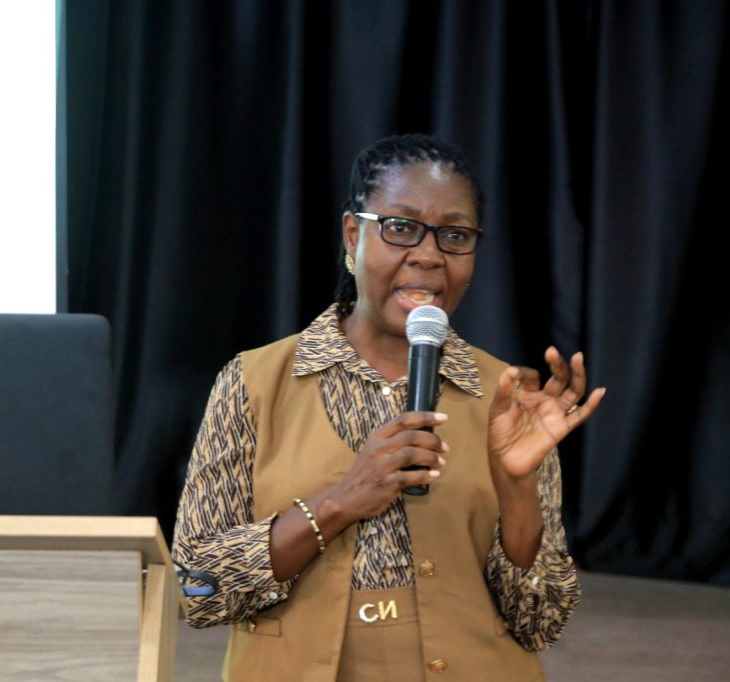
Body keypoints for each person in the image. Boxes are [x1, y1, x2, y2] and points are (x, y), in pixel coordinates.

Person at [172, 133, 605, 681]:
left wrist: (517, 490)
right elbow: (201, 588)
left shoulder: (508, 397)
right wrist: (339, 501)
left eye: (455, 236)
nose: (428, 254)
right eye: (401, 228)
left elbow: (541, 621)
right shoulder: (254, 381)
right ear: (353, 234)